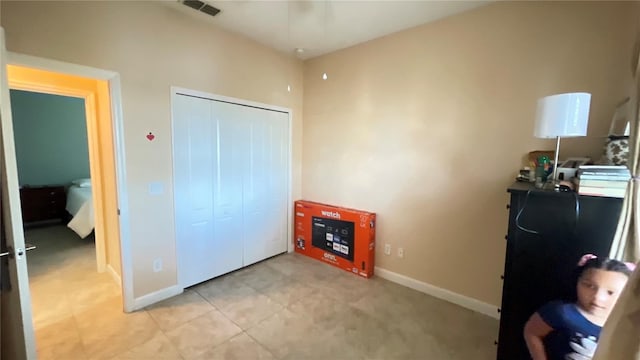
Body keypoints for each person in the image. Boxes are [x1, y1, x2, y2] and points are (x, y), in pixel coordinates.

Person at [523, 254, 634, 360]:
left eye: (610, 292)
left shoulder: (627, 323)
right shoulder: (561, 312)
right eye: (589, 286)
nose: (597, 297)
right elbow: (532, 332)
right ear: (578, 281)